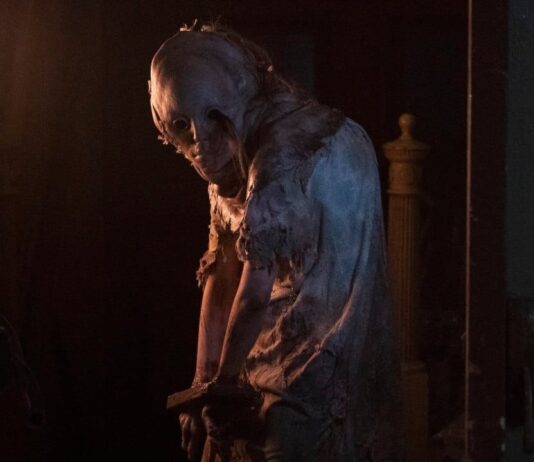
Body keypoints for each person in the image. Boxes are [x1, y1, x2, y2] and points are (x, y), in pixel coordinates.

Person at [149, 22, 401, 462]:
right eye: (181, 128)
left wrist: (221, 391)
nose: (198, 145)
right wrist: (203, 386)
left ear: (228, 104)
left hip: (313, 367)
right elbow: (221, 269)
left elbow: (251, 296)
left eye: (208, 121)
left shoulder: (279, 162)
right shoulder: (238, 152)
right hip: (273, 356)